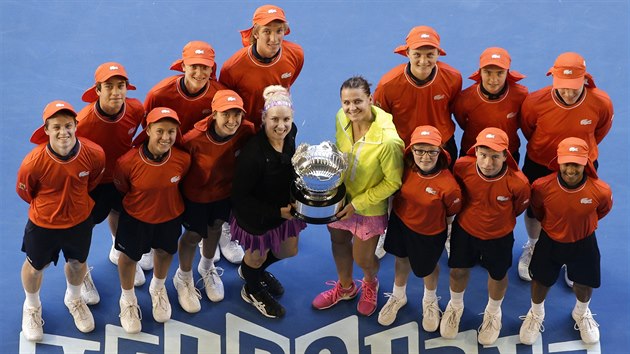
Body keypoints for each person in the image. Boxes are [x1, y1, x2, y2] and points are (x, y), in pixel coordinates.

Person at [144, 40, 243, 269]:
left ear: (212, 68)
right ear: (183, 66)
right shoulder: (159, 93)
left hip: (204, 158)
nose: (199, 73)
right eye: (193, 67)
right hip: (170, 157)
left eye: (205, 67)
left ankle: (214, 234)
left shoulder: (220, 94)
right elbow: (150, 129)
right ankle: (150, 242)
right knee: (160, 200)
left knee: (210, 210)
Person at [517, 52, 614, 285]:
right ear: (553, 78)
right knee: (534, 208)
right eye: (563, 87)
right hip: (540, 162)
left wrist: (577, 155)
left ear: (585, 79)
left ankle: (573, 256)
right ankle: (533, 244)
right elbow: (528, 129)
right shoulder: (535, 101)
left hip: (581, 164)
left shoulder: (601, 103)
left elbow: (598, 133)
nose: (569, 93)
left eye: (574, 87)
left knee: (577, 209)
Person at [312, 76, 404, 317]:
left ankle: (370, 282)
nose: (351, 108)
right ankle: (345, 287)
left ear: (371, 100)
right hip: (341, 199)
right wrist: (332, 187)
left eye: (358, 102)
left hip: (368, 206)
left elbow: (393, 182)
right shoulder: (341, 118)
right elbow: (339, 152)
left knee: (363, 258)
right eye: (346, 102)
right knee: (338, 241)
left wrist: (357, 203)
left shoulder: (388, 141)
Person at [17, 100, 105, 341]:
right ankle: (32, 306)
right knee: (35, 267)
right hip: (43, 225)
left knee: (78, 264)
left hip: (79, 222)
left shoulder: (94, 154)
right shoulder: (33, 162)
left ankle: (74, 298)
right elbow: (25, 191)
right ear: (46, 130)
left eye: (68, 125)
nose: (63, 132)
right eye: (56, 127)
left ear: (76, 125)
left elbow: (93, 181)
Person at [440, 127, 530, 345]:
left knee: (498, 276)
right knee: (458, 271)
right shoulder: (462, 167)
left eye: (495, 157)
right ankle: (455, 306)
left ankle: (493, 313)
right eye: (483, 155)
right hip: (465, 232)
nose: (488, 163)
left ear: (505, 155)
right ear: (475, 151)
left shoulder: (518, 182)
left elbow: (518, 208)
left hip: (499, 236)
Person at [518, 137, 612, 345]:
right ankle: (536, 313)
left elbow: (601, 211)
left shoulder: (601, 190)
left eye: (576, 164)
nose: (571, 169)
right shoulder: (542, 187)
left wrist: (579, 226)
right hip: (550, 240)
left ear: (586, 163)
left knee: (584, 283)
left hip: (583, 242)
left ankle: (581, 312)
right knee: (540, 280)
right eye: (567, 163)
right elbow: (538, 211)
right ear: (558, 162)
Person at [174, 90, 255, 313]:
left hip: (224, 194)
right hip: (195, 197)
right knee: (192, 236)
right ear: (213, 114)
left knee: (215, 228)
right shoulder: (192, 140)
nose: (232, 121)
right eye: (226, 114)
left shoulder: (246, 130)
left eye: (237, 114)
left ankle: (207, 267)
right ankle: (183, 277)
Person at [230, 85, 306, 318]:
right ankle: (251, 289)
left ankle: (252, 271)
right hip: (256, 216)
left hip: (284, 208)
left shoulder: (290, 133)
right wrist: (276, 212)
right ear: (264, 118)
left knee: (289, 250)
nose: (281, 126)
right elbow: (240, 199)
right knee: (257, 255)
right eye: (274, 119)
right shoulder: (252, 155)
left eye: (286, 119)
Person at [112, 107, 190, 333]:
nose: (166, 137)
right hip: (135, 219)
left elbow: (180, 183)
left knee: (165, 252)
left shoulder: (182, 159)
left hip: (170, 217)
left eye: (171, 132)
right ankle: (127, 300)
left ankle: (158, 288)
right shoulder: (127, 162)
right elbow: (122, 186)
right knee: (128, 259)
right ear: (148, 130)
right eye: (160, 131)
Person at [377, 125, 461, 330]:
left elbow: (451, 213)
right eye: (419, 150)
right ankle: (398, 296)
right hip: (400, 223)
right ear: (411, 151)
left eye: (431, 151)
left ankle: (430, 301)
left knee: (428, 268)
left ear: (440, 152)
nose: (425, 157)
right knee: (401, 259)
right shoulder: (403, 170)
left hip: (429, 233)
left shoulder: (449, 186)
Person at [76, 62, 146, 303]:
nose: (116, 92)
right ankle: (81, 275)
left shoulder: (136, 110)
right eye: (109, 87)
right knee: (83, 230)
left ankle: (120, 250)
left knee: (121, 213)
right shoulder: (83, 122)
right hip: (93, 184)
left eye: (121, 86)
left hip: (123, 178)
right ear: (97, 90)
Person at [374, 25, 462, 166]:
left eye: (430, 55)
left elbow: (455, 109)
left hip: (442, 145)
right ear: (407, 52)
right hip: (404, 149)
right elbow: (379, 121)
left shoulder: (453, 78)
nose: (423, 61)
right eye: (417, 54)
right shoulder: (387, 84)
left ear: (438, 53)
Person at [219, 4, 304, 130]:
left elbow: (289, 81)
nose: (274, 39)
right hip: (245, 132)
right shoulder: (232, 67)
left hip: (278, 128)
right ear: (256, 33)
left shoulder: (296, 54)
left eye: (279, 31)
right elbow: (225, 105)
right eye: (267, 31)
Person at [452, 47, 528, 163]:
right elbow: (462, 122)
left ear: (507, 72)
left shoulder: (521, 95)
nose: (493, 79)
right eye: (488, 72)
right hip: (471, 152)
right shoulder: (465, 98)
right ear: (480, 71)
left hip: (507, 152)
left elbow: (523, 122)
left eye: (499, 73)